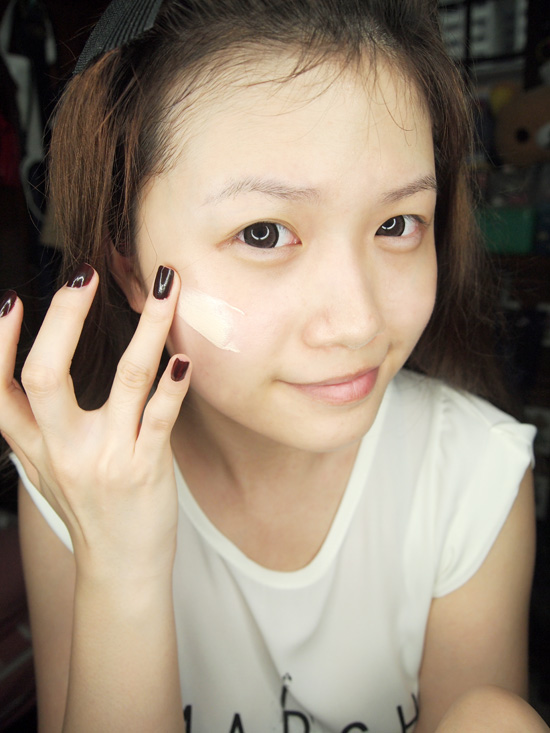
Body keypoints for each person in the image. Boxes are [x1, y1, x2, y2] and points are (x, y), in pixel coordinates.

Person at [0, 0, 548, 731]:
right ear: (129, 266)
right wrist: (120, 563)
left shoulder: (472, 476)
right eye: (263, 232)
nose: (358, 321)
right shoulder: (79, 484)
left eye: (396, 224)